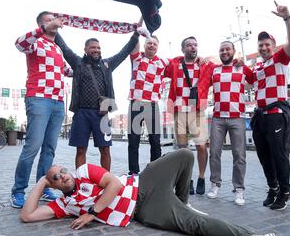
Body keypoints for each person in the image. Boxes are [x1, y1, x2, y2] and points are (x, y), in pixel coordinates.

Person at [19, 149, 287, 236]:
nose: (63, 175)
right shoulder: (64, 204)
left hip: (143, 182)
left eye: (62, 170)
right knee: (198, 226)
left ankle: (184, 202)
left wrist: (92, 212)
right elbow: (28, 216)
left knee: (184, 155)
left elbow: (113, 185)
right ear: (53, 186)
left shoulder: (84, 170)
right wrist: (42, 181)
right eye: (56, 177)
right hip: (144, 210)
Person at [54, 26, 141, 171]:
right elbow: (63, 47)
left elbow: (124, 52)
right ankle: (82, 181)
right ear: (85, 50)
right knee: (81, 150)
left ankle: (106, 181)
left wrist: (136, 35)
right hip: (81, 113)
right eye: (93, 47)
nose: (96, 50)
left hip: (102, 114)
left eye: (98, 48)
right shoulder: (77, 62)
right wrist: (53, 28)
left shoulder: (107, 64)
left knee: (105, 150)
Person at [10, 11, 72, 209]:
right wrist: (45, 28)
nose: (53, 23)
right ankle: (18, 191)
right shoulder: (35, 42)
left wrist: (88, 65)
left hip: (57, 102)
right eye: (48, 20)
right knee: (32, 147)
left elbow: (68, 71)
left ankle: (44, 188)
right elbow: (19, 44)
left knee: (49, 149)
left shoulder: (58, 49)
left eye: (54, 20)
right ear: (41, 24)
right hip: (38, 98)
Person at [248, 1, 290, 211]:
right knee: (263, 155)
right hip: (260, 115)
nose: (264, 48)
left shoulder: (280, 59)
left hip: (276, 113)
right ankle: (273, 187)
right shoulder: (258, 66)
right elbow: (247, 82)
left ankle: (286, 192)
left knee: (279, 154)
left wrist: (287, 17)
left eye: (267, 44)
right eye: (260, 45)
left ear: (274, 45)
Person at [201, 41, 253, 204]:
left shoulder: (242, 68)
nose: (224, 52)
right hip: (217, 117)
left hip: (237, 116)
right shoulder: (214, 69)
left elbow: (255, 80)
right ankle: (215, 184)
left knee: (239, 154)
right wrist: (201, 60)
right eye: (222, 49)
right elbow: (200, 74)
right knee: (215, 153)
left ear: (233, 51)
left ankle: (239, 190)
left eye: (227, 49)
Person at [164, 36, 214, 195]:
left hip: (196, 109)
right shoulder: (175, 65)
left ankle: (201, 177)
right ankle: (187, 179)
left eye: (195, 45)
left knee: (201, 145)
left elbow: (223, 64)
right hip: (180, 110)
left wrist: (210, 57)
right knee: (183, 148)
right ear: (183, 49)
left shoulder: (205, 65)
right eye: (189, 45)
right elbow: (160, 67)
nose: (193, 47)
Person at [127, 32, 169, 175]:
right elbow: (133, 42)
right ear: (144, 45)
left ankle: (155, 172)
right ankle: (133, 172)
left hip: (152, 105)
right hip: (136, 104)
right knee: (133, 141)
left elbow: (182, 61)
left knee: (155, 141)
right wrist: (138, 31)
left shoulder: (162, 62)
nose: (151, 45)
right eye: (149, 43)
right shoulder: (137, 58)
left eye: (154, 44)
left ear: (158, 47)